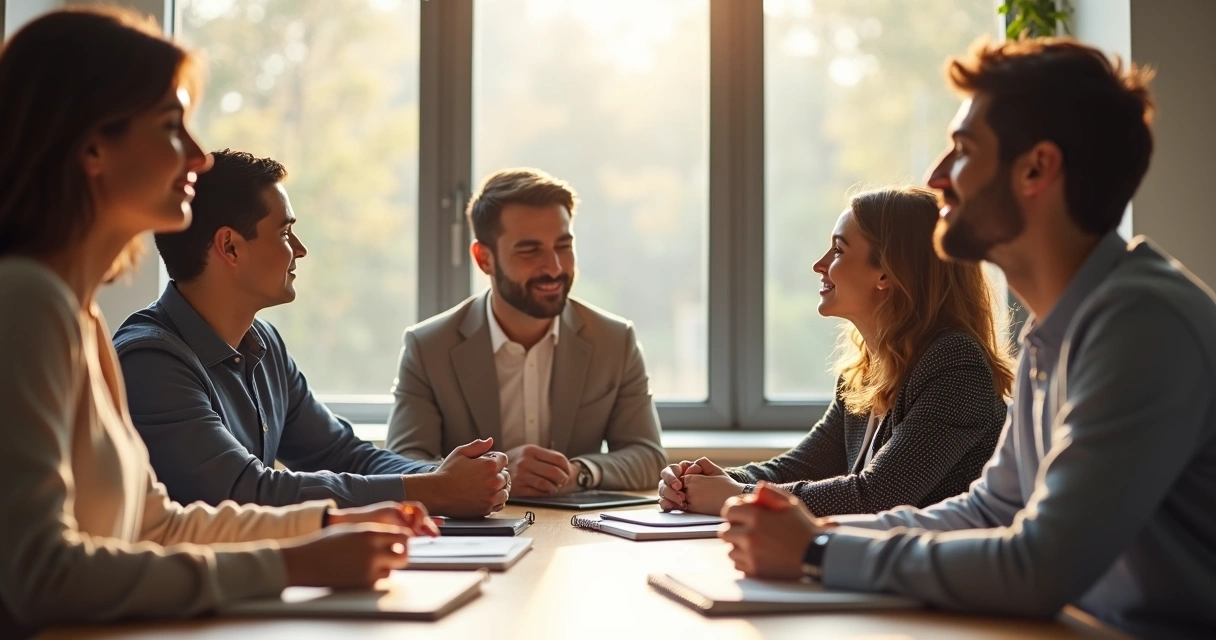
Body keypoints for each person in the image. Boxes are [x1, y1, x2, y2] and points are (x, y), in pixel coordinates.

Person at [719, 37, 1216, 638]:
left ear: (1036, 169)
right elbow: (990, 511)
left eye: (962, 150)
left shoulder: (1141, 326)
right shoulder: (1054, 334)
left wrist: (818, 553)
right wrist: (814, 536)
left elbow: (1038, 565)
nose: (936, 178)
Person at [0, 9, 436, 635]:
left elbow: (158, 526)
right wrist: (290, 565)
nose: (199, 157)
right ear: (92, 146)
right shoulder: (25, 303)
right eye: (171, 126)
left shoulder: (81, 316)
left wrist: (323, 527)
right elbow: (41, 574)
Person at [113, 149, 509, 518]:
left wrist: (452, 475)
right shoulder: (150, 362)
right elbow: (246, 493)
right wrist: (436, 490)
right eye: (285, 233)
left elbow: (346, 455)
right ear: (230, 247)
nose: (299, 250)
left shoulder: (264, 343)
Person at [659, 186, 1011, 517]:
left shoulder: (956, 365)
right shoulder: (864, 372)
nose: (820, 264)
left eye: (839, 250)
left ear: (886, 273)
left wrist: (737, 495)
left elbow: (876, 495)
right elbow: (800, 466)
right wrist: (695, 482)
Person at [385, 168, 666, 494]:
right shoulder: (428, 347)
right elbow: (403, 461)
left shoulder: (615, 341)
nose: (554, 268)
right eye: (530, 251)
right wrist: (492, 475)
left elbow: (649, 457)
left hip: (575, 534)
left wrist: (577, 473)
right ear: (484, 258)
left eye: (563, 246)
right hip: (474, 536)